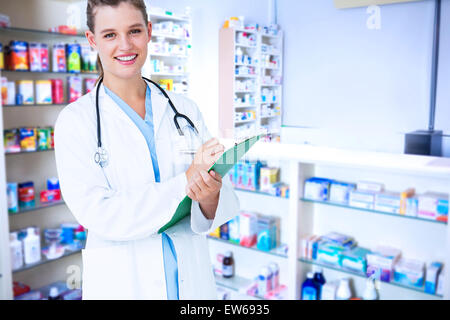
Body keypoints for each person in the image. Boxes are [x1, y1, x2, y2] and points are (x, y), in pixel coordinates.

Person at [54, 0, 239, 300]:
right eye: (110, 34)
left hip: (190, 282)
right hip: (125, 285)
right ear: (92, 40)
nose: (125, 45)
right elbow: (100, 214)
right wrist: (187, 182)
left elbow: (215, 200)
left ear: (149, 31)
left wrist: (210, 194)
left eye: (134, 31)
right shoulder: (75, 122)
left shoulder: (185, 109)